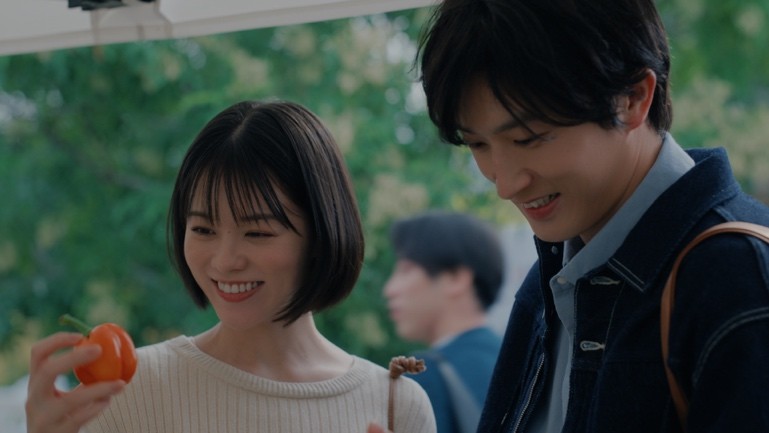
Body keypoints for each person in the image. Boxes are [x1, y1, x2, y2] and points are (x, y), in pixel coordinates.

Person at [401, 0, 769, 432]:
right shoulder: (552, 277)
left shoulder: (738, 277)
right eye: (477, 145)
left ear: (633, 98)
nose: (505, 185)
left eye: (528, 138)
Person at [25, 100, 436, 433]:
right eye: (203, 229)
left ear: (321, 234)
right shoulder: (129, 392)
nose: (225, 261)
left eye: (257, 233)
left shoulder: (397, 405)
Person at [383, 210, 504, 433]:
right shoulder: (527, 362)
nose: (390, 289)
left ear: (456, 278)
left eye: (405, 270)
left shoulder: (425, 377)